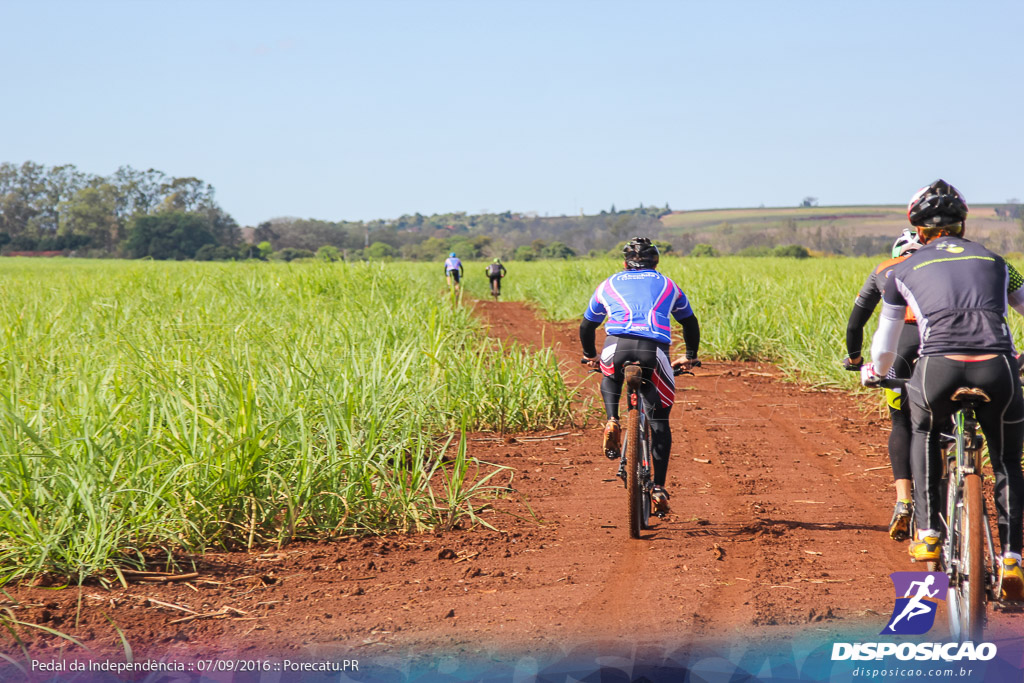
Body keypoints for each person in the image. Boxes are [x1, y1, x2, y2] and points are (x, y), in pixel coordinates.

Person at [861, 179, 1024, 600]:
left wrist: (875, 372)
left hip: (939, 368)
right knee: (1006, 460)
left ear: (917, 230)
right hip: (997, 368)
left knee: (924, 431)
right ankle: (1011, 558)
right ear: (963, 224)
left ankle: (930, 532)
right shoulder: (997, 262)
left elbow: (885, 342)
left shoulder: (900, 270)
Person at [579, 236, 700, 513]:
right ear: (655, 262)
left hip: (615, 347)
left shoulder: (608, 284)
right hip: (653, 351)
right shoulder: (668, 284)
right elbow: (689, 322)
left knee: (610, 376)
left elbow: (587, 327)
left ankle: (612, 420)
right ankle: (658, 486)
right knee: (659, 422)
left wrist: (590, 356)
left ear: (624, 263)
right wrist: (690, 356)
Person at [844, 229, 921, 542]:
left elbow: (855, 324)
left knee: (901, 422)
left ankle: (904, 499)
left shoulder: (884, 268)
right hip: (944, 345)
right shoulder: (938, 263)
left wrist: (854, 358)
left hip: (900, 346)